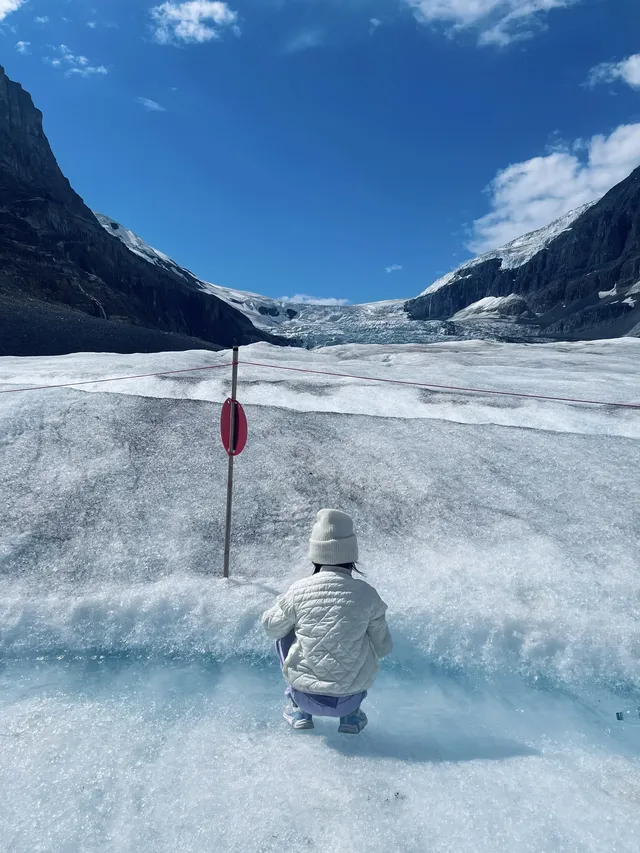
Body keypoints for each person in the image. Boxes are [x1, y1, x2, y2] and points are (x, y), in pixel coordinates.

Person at [261, 509, 393, 734]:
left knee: (284, 632)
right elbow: (384, 647)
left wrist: (284, 604)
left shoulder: (299, 590)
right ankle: (351, 717)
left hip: (305, 697)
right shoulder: (367, 594)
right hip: (349, 699)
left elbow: (271, 628)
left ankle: (299, 712)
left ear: (315, 554)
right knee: (367, 636)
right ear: (352, 555)